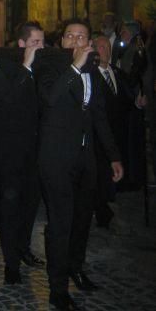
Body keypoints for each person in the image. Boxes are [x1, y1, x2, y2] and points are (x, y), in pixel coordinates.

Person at [35, 19, 123, 311]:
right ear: (61, 41)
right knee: (61, 223)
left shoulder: (92, 71)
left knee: (83, 220)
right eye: (69, 36)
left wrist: (113, 155)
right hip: (56, 158)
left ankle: (76, 267)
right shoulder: (47, 62)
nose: (74, 40)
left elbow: (98, 116)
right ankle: (57, 288)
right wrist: (73, 67)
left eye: (81, 36)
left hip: (86, 160)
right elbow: (50, 97)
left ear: (88, 41)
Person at [0, 21, 45, 286]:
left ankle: (23, 248)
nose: (40, 48)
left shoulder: (46, 67)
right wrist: (26, 66)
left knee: (31, 204)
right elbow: (7, 99)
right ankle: (10, 263)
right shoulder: (7, 68)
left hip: (36, 149)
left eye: (42, 43)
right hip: (9, 151)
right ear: (21, 44)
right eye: (35, 43)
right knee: (10, 207)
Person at [92, 35, 146, 227]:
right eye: (98, 47)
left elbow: (128, 99)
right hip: (98, 138)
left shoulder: (118, 73)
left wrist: (138, 103)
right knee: (99, 176)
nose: (103, 50)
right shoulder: (90, 76)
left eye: (106, 47)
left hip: (118, 135)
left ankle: (106, 203)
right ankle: (101, 209)